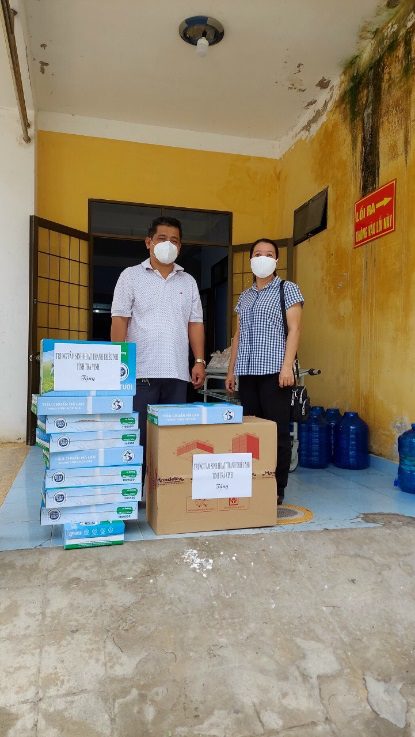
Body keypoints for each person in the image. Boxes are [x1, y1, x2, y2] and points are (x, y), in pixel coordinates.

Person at [111, 216, 206, 481]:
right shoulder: (130, 276)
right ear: (148, 242)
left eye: (174, 240)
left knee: (172, 440)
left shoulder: (188, 281)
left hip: (176, 373)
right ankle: (135, 490)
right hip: (140, 372)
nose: (168, 244)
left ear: (180, 247)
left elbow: (195, 323)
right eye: (162, 238)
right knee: (138, 437)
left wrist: (199, 361)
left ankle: (166, 491)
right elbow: (119, 320)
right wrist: (119, 364)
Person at [225, 238, 304, 505]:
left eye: (269, 254)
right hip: (248, 373)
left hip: (275, 373)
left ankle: (277, 487)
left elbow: (295, 329)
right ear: (251, 260)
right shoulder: (245, 297)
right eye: (258, 253)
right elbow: (238, 335)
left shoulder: (287, 289)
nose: (263, 258)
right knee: (250, 432)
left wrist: (287, 367)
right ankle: (253, 481)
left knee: (277, 432)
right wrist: (231, 370)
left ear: (276, 260)